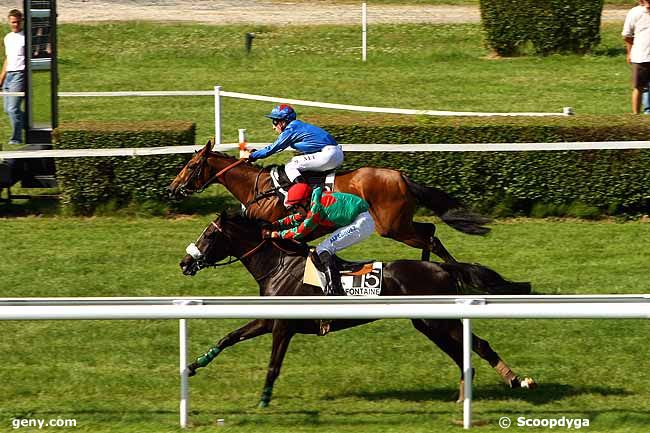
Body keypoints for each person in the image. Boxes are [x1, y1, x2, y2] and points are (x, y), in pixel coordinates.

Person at [262, 183, 375, 297]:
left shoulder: (316, 208)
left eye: (296, 207)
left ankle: (335, 289)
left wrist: (274, 234)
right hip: (360, 220)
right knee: (324, 249)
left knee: (323, 249)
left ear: (305, 201)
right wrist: (276, 224)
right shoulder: (313, 202)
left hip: (361, 223)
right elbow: (297, 218)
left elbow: (299, 232)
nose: (295, 210)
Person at [248, 104, 343, 184]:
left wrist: (252, 155)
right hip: (337, 154)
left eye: (275, 122)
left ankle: (303, 195)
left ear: (283, 121)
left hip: (328, 155)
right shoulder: (298, 126)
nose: (273, 127)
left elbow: (272, 149)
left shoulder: (291, 130)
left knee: (290, 165)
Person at [0, 9, 25, 145]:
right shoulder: (8, 38)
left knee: (12, 109)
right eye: (13, 22)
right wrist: (1, 78)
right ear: (9, 22)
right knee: (7, 109)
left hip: (19, 74)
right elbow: (8, 59)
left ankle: (16, 138)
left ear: (22, 21)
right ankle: (30, 121)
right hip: (9, 75)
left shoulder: (26, 37)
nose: (15, 24)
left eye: (17, 22)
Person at [623, 0, 650, 114]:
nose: (648, 5)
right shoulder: (635, 13)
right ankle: (636, 116)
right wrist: (630, 52)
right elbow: (627, 35)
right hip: (641, 56)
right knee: (638, 86)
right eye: (647, 1)